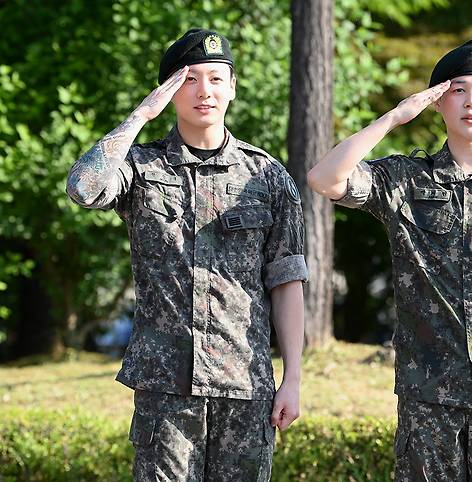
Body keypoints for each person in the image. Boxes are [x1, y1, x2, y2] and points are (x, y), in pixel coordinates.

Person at [307, 37, 472, 481]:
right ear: (438, 102)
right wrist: (395, 117)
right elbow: (324, 179)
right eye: (458, 90)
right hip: (429, 398)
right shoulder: (406, 181)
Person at [67, 28, 308, 481]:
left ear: (232, 87)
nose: (204, 92)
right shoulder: (141, 167)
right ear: (169, 91)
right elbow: (83, 188)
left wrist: (292, 377)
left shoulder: (267, 177)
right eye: (189, 79)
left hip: (245, 386)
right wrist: (142, 114)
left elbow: (286, 280)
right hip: (165, 391)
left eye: (216, 79)